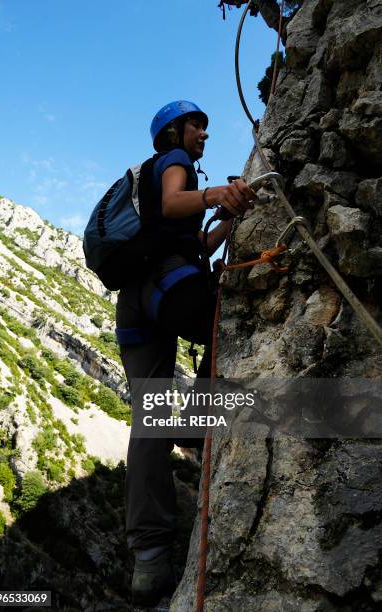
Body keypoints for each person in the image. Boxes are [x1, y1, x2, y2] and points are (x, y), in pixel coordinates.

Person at [115, 100, 256, 607]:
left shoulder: (150, 186)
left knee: (146, 421)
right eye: (197, 125)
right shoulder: (173, 163)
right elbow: (178, 204)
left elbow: (196, 238)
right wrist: (219, 191)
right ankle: (196, 421)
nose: (203, 134)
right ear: (174, 131)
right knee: (230, 323)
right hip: (168, 290)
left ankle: (148, 560)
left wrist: (225, 217)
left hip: (138, 304)